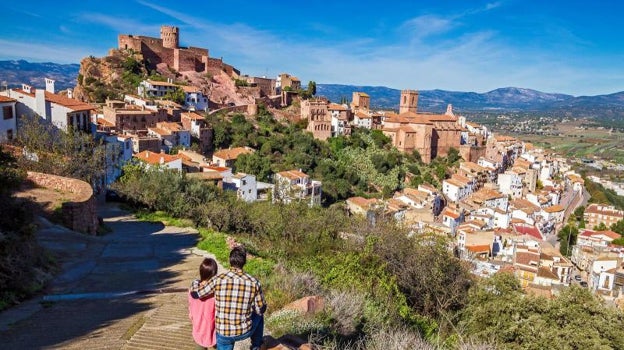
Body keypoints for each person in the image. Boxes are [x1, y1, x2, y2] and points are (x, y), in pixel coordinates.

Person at [190, 246, 266, 350]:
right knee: (259, 315)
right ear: (244, 262)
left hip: (223, 333)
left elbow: (196, 294)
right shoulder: (254, 282)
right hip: (244, 331)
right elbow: (261, 309)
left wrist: (195, 282)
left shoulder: (218, 280)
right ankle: (256, 346)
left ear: (229, 260)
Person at [189, 258, 218, 349]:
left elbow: (190, 311)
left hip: (198, 329)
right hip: (212, 331)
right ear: (214, 274)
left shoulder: (192, 290)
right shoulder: (215, 293)